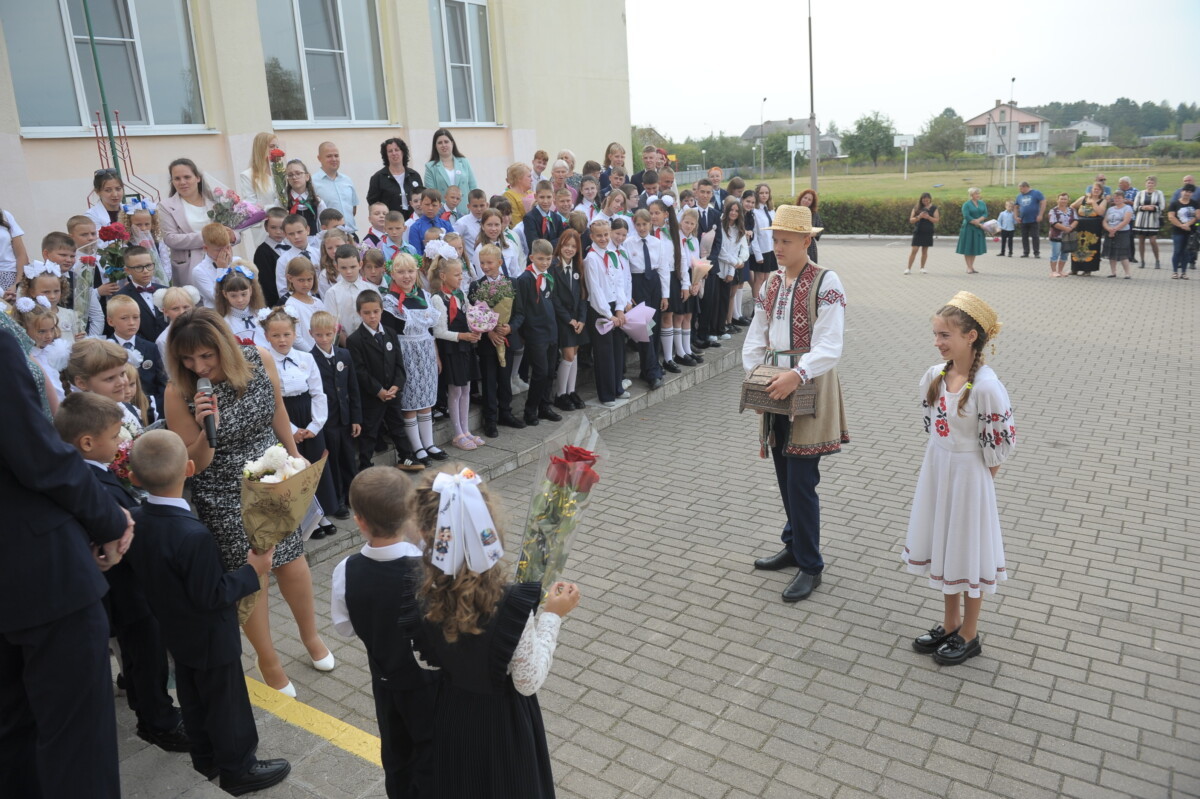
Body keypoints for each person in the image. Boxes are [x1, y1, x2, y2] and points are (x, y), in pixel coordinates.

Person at [164, 308, 334, 697]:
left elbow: (277, 409)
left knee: (292, 561)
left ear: (224, 345)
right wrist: (210, 431)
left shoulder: (260, 359)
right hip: (222, 488)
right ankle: (268, 660)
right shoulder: (179, 391)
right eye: (188, 359)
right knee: (252, 574)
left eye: (207, 355)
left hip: (271, 475)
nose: (199, 366)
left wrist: (295, 458)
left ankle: (311, 638)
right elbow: (194, 465)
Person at [0, 326, 133, 799]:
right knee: (78, 739)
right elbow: (35, 455)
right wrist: (108, 519)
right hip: (39, 570)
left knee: (15, 730)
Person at [124, 430, 292, 794]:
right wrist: (253, 571)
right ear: (188, 468)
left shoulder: (136, 519)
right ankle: (239, 767)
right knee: (227, 702)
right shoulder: (192, 534)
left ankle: (206, 758)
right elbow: (211, 595)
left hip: (175, 632)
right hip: (211, 637)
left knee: (194, 698)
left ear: (133, 478)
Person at [399, 465, 581, 799]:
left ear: (425, 532)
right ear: (490, 528)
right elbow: (527, 680)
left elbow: (427, 662)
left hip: (454, 718)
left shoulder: (421, 593)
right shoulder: (507, 603)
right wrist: (553, 616)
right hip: (504, 726)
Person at [54, 390, 189, 750]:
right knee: (146, 656)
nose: (119, 442)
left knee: (138, 655)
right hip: (127, 592)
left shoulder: (81, 472)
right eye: (114, 437)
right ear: (87, 442)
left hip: (122, 590)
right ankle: (158, 722)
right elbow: (120, 530)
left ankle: (146, 705)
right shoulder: (92, 484)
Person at [902, 292, 1014, 666]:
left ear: (971, 336)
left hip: (969, 479)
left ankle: (970, 632)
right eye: (935, 334)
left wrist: (978, 485)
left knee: (968, 551)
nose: (937, 342)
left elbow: (999, 444)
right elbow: (933, 427)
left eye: (945, 335)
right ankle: (950, 623)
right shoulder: (936, 376)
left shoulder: (986, 387)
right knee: (945, 546)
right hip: (938, 471)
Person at [744, 204, 849, 604]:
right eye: (775, 239)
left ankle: (810, 565)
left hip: (808, 385)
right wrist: (755, 380)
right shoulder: (771, 282)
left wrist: (797, 374)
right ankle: (794, 543)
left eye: (786, 240)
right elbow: (757, 334)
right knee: (783, 467)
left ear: (808, 241)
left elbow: (830, 344)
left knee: (802, 479)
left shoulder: (826, 281)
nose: (778, 247)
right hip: (775, 384)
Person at [330, 467, 437, 797]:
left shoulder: (345, 570)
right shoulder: (430, 566)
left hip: (386, 684)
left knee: (396, 756)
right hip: (431, 687)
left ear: (359, 520)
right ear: (410, 512)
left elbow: (345, 628)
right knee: (434, 754)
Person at [261, 306, 339, 538]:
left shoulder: (306, 358)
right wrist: (291, 430)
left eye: (286, 334)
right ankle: (304, 517)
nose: (282, 340)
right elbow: (272, 401)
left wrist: (315, 425)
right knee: (293, 469)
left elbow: (318, 392)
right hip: (283, 416)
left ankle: (321, 512)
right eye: (275, 335)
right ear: (267, 337)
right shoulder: (266, 362)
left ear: (295, 334)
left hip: (309, 416)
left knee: (314, 466)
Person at [347, 289, 424, 472]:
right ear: (359, 313)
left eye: (375, 311)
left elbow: (399, 363)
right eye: (367, 313)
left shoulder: (389, 333)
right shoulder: (355, 340)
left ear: (382, 310)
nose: (372, 316)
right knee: (370, 432)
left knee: (397, 425)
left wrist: (397, 385)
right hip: (373, 396)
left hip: (392, 392)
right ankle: (365, 465)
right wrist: (378, 390)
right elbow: (360, 371)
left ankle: (405, 457)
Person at [385, 253, 448, 465]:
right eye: (401, 272)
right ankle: (417, 447)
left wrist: (436, 355)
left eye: (410, 271)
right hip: (406, 354)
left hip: (426, 352)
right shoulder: (390, 300)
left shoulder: (423, 294)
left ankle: (429, 443)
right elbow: (391, 336)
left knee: (426, 400)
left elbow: (430, 330)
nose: (406, 276)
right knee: (411, 402)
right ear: (392, 274)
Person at [469, 244, 524, 438]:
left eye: (489, 262)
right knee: (489, 381)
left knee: (505, 379)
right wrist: (489, 332)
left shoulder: (512, 283)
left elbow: (519, 313)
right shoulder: (476, 285)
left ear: (500, 263)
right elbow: (475, 314)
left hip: (506, 339)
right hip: (487, 342)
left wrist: (510, 328)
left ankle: (506, 413)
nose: (485, 266)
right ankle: (490, 419)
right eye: (482, 263)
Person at [309, 310, 360, 519]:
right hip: (326, 421)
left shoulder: (344, 354)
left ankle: (353, 495)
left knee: (349, 457)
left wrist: (357, 418)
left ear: (335, 332)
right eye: (319, 335)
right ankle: (337, 499)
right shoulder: (310, 359)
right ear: (311, 333)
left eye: (328, 334)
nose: (324, 339)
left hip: (345, 418)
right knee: (333, 461)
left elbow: (353, 388)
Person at [160, 158, 240, 288]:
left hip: (222, 260)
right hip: (189, 267)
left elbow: (235, 229)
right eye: (177, 178)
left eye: (187, 177)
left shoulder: (216, 201)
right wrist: (209, 238)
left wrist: (233, 236)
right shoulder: (166, 206)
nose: (182, 182)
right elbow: (170, 238)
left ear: (197, 178)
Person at [430, 258, 483, 447]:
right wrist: (463, 336)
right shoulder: (438, 298)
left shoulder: (460, 294)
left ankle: (466, 430)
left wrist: (477, 328)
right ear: (443, 276)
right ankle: (457, 433)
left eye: (461, 273)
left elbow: (469, 317)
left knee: (466, 388)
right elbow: (438, 331)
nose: (461, 277)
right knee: (455, 390)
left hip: (465, 347)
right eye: (457, 274)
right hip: (452, 349)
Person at [508, 238, 562, 426]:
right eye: (540, 259)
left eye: (548, 259)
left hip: (551, 330)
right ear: (531, 257)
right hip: (535, 333)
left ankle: (545, 407)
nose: (545, 263)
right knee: (540, 372)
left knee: (550, 372)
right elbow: (521, 308)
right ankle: (530, 411)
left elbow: (552, 302)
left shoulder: (549, 275)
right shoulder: (524, 279)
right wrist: (523, 332)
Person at [584, 218, 627, 407]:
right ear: (592, 236)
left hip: (614, 307)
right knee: (604, 352)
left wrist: (619, 308)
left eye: (605, 234)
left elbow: (619, 282)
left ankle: (618, 386)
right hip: (600, 310)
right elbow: (595, 290)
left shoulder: (613, 254)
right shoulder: (591, 259)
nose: (603, 238)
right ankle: (606, 393)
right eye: (599, 235)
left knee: (618, 349)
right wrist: (608, 314)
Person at [106, 294, 168, 421]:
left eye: (136, 317)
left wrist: (160, 412)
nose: (132, 323)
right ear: (110, 321)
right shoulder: (106, 350)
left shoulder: (150, 347)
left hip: (151, 411)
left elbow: (161, 382)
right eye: (124, 318)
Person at [238, 132, 284, 250]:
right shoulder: (248, 176)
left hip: (285, 225)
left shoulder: (280, 171)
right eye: (271, 146)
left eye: (277, 147)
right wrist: (274, 206)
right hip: (264, 229)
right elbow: (251, 208)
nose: (275, 150)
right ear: (261, 148)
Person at [115, 245, 169, 340]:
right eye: (138, 267)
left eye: (148, 266)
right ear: (127, 270)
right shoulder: (121, 297)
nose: (145, 271)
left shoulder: (166, 291)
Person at [422, 129, 477, 217]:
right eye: (440, 143)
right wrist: (446, 208)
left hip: (465, 212)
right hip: (443, 215)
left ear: (452, 143)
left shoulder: (464, 162)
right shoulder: (430, 167)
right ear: (435, 146)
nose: (443, 145)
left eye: (446, 142)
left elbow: (473, 188)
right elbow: (431, 194)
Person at [367, 138, 424, 220]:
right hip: (391, 222)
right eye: (390, 151)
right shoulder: (378, 177)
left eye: (397, 150)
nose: (394, 153)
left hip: (414, 219)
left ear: (403, 152)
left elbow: (422, 197)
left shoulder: (414, 175)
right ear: (386, 155)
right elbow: (372, 203)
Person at [313, 141, 359, 235]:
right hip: (329, 237)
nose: (334, 159)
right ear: (319, 158)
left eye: (336, 155)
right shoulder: (313, 182)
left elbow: (353, 209)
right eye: (329, 156)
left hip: (350, 235)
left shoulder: (347, 180)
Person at [1069, 184, 1107, 276]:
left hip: (1093, 227)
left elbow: (1100, 212)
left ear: (1101, 191)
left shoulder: (1103, 201)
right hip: (1080, 226)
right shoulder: (1083, 198)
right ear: (1091, 190)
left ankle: (1088, 269)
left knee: (1090, 247)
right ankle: (1075, 268)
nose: (1096, 191)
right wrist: (1074, 217)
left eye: (1098, 189)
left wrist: (1093, 203)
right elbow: (1072, 206)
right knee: (1077, 247)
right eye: (1095, 189)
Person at [749, 184, 776, 299]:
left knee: (766, 278)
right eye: (761, 193)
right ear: (757, 194)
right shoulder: (754, 211)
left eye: (766, 193)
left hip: (769, 249)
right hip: (759, 250)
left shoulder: (771, 210)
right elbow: (754, 235)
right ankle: (756, 306)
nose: (764, 195)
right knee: (759, 279)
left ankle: (764, 302)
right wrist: (758, 255)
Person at [1133, 176, 1165, 269]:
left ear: (1155, 184)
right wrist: (1143, 207)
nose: (1150, 184)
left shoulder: (1159, 193)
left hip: (1153, 220)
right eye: (1148, 183)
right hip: (1141, 220)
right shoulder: (1140, 193)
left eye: (1152, 183)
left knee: (1153, 240)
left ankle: (1157, 260)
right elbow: (1135, 206)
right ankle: (1142, 261)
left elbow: (1162, 206)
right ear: (1145, 184)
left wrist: (1154, 207)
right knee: (1141, 241)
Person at [1167, 183, 1197, 279]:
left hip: (1190, 231)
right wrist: (1181, 225)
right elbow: (1171, 217)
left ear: (1192, 194)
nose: (1187, 194)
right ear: (1181, 192)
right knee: (1177, 251)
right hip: (1177, 231)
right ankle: (1175, 271)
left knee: (1186, 251)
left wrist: (1188, 224)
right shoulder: (1175, 203)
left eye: (1189, 192)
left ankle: (1184, 272)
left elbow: (1197, 216)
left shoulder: (1195, 203)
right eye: (1185, 191)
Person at [1102, 190, 1134, 279]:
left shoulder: (1127, 208)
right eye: (1115, 198)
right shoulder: (1110, 209)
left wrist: (1115, 229)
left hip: (1122, 232)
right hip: (1110, 232)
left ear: (1123, 199)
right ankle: (1113, 272)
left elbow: (1126, 221)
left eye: (1119, 198)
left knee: (1123, 253)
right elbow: (1105, 221)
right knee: (1111, 253)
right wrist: (1109, 229)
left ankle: (1127, 273)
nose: (1117, 200)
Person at [524, 181, 564, 251]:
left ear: (553, 196)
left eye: (549, 197)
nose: (545, 201)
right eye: (542, 197)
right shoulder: (529, 218)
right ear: (535, 197)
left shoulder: (557, 218)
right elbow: (534, 244)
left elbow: (562, 240)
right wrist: (555, 243)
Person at [955, 188, 987, 274]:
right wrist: (976, 222)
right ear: (971, 195)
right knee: (968, 247)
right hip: (968, 228)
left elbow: (985, 213)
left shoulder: (982, 203)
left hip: (978, 228)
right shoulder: (966, 204)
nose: (978, 195)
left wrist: (979, 221)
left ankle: (972, 266)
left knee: (974, 248)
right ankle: (968, 267)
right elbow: (967, 216)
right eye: (976, 194)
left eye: (978, 194)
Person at [905, 193, 939, 274]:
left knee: (925, 251)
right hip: (918, 231)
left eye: (927, 200)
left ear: (930, 199)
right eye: (924, 199)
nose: (926, 201)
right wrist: (919, 217)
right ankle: (908, 268)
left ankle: (922, 268)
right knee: (914, 250)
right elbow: (911, 220)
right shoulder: (916, 208)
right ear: (921, 199)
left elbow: (937, 220)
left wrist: (928, 217)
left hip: (928, 231)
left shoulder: (934, 208)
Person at [1047, 193, 1077, 279]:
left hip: (1068, 236)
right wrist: (1065, 228)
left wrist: (1070, 227)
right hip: (1056, 236)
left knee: (1065, 254)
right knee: (1055, 254)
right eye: (1061, 199)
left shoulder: (1072, 210)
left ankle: (1060, 270)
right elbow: (1053, 223)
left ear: (1068, 200)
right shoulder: (1053, 211)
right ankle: (1053, 271)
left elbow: (1076, 220)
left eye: (1065, 199)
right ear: (1058, 200)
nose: (1063, 201)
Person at [1014, 181, 1045, 258]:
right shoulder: (1019, 196)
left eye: (1021, 189)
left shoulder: (1036, 193)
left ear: (1026, 187)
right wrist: (1016, 216)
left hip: (1034, 219)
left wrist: (1040, 214)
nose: (1020, 190)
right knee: (1024, 237)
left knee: (1035, 236)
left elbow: (1043, 202)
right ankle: (1026, 252)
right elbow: (1015, 206)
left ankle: (1036, 252)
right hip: (1023, 219)